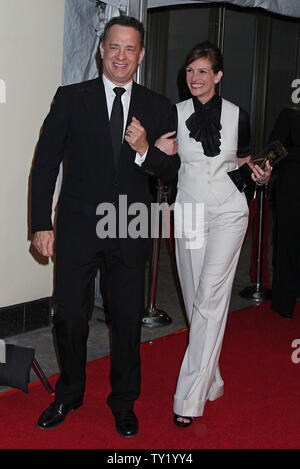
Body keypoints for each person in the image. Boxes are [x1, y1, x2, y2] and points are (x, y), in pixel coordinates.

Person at [30, 15, 180, 437]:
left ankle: (123, 402)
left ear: (141, 55)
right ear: (101, 49)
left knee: (127, 319)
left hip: (130, 222)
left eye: (130, 48)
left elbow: (170, 170)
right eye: (114, 46)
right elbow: (44, 165)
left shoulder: (157, 106)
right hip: (78, 225)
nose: (121, 56)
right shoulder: (71, 98)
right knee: (71, 317)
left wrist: (145, 149)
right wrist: (41, 223)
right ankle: (69, 393)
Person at [156, 41, 272, 427]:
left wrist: (260, 171)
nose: (195, 77)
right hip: (187, 210)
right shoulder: (174, 113)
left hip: (228, 211)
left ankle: (188, 398)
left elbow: (242, 159)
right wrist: (155, 149)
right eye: (191, 71)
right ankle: (212, 376)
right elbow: (163, 162)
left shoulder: (239, 114)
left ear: (218, 76)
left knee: (209, 298)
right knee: (194, 300)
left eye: (203, 71)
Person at [270, 106, 300, 318]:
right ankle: (284, 302)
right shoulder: (290, 116)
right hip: (292, 190)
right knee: (288, 243)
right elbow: (274, 151)